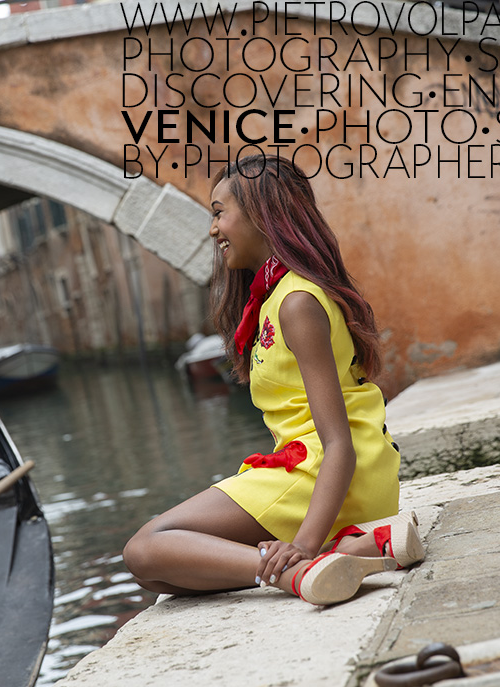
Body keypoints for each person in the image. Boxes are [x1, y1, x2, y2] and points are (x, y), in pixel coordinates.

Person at [124, 155, 424, 605]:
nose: (212, 229)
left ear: (263, 215)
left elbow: (337, 441)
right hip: (330, 474)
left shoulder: (296, 302)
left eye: (219, 212)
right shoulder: (272, 298)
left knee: (147, 548)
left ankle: (303, 570)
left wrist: (298, 548)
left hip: (329, 471)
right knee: (168, 576)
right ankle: (355, 548)